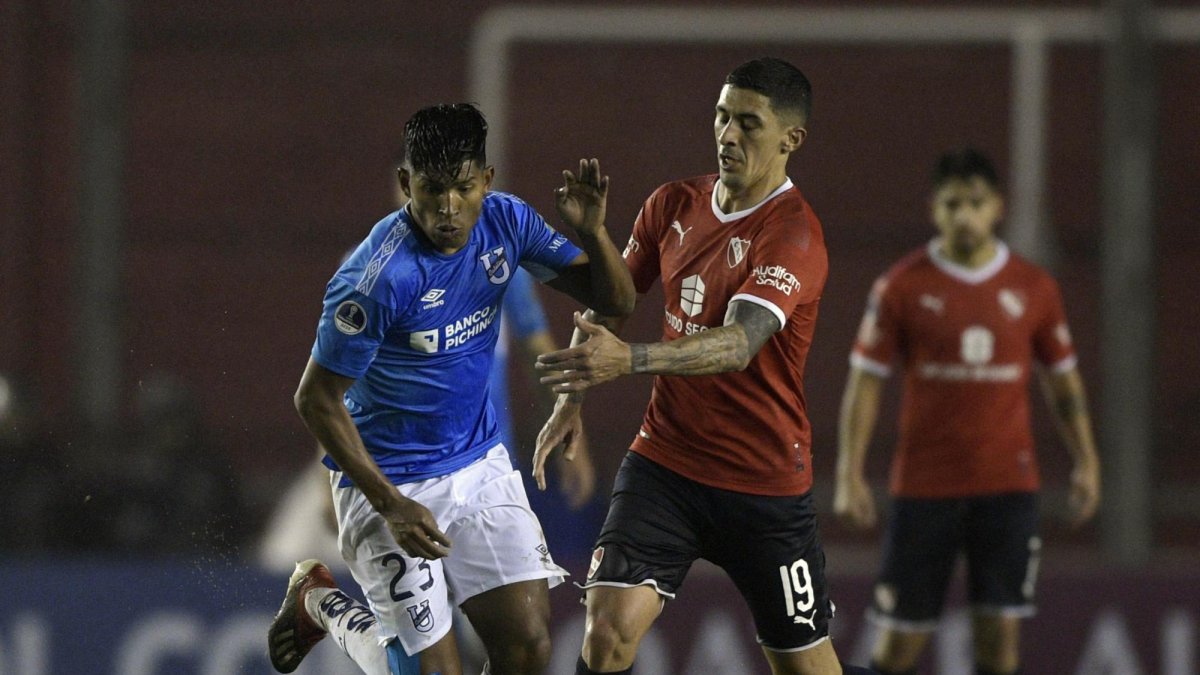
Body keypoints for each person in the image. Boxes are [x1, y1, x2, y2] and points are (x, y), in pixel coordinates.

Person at [268, 102, 635, 675]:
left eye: (462, 188)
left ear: (486, 181)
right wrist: (389, 503)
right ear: (405, 183)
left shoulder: (507, 225)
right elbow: (314, 399)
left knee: (530, 647)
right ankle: (322, 602)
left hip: (480, 463)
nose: (447, 208)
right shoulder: (377, 278)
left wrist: (594, 232)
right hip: (391, 480)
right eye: (431, 189)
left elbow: (617, 301)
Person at [534, 57, 873, 675]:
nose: (728, 135)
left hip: (763, 483)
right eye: (722, 117)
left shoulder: (794, 234)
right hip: (665, 464)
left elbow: (738, 344)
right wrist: (572, 394)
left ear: (790, 139)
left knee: (803, 664)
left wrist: (631, 361)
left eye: (749, 123)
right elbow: (612, 302)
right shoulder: (672, 204)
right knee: (606, 632)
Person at [832, 148, 1102, 675]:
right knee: (895, 651)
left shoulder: (1034, 288)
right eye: (952, 204)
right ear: (934, 209)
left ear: (997, 207)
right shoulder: (902, 286)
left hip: (1007, 489)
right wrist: (848, 473)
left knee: (998, 649)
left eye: (975, 203)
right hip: (924, 490)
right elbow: (865, 383)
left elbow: (1063, 383)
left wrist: (1087, 461)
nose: (964, 216)